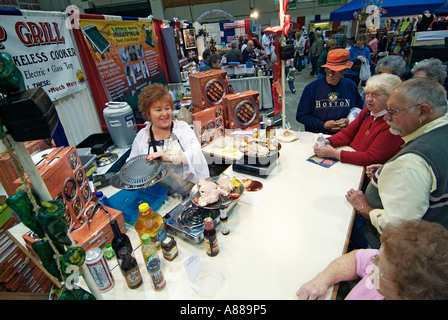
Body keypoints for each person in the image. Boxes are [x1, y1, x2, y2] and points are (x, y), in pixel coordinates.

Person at [345, 78, 448, 248]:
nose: (386, 117)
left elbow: (399, 227)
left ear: (422, 112)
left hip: (396, 250)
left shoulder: (411, 163)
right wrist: (387, 173)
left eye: (393, 111)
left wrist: (364, 208)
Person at [297, 219, 448, 300]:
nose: (372, 262)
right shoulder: (389, 264)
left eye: (378, 266)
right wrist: (322, 279)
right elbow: (357, 259)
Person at [128, 83, 209, 194]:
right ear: (148, 113)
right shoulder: (142, 137)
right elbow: (132, 165)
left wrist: (170, 157)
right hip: (158, 195)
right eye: (158, 110)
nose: (165, 114)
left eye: (167, 108)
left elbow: (195, 154)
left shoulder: (182, 128)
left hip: (188, 191)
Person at [313, 73, 403, 166]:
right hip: (352, 163)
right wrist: (328, 141)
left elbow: (372, 158)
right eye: (367, 93)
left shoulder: (391, 124)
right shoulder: (367, 112)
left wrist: (335, 154)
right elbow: (347, 134)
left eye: (375, 95)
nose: (368, 99)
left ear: (390, 98)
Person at [296, 49, 363, 134]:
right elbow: (301, 115)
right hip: (317, 136)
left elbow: (359, 108)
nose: (330, 74)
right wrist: (323, 125)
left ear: (343, 71)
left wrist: (349, 120)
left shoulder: (351, 86)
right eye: (328, 70)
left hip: (343, 135)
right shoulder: (312, 88)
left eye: (334, 71)